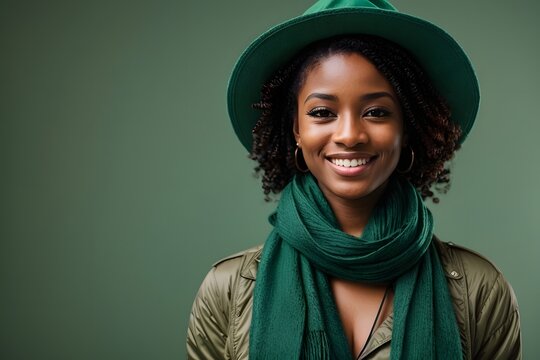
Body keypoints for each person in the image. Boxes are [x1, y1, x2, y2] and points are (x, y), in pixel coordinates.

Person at [187, 0, 521, 359]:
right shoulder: (228, 290)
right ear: (296, 129)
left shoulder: (479, 290)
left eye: (376, 112)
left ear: (406, 129)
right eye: (322, 112)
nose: (349, 134)